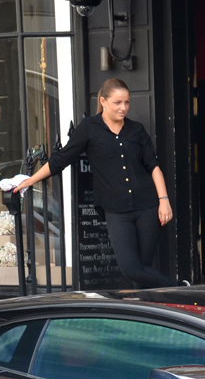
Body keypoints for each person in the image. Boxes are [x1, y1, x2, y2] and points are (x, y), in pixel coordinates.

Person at [15, 79, 174, 288]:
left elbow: (153, 166)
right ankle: (181, 287)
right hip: (117, 211)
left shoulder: (136, 130)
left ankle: (145, 314)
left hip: (148, 206)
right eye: (118, 102)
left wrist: (164, 200)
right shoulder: (89, 128)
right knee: (131, 268)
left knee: (142, 269)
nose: (123, 108)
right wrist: (30, 180)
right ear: (103, 101)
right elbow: (60, 159)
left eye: (127, 102)